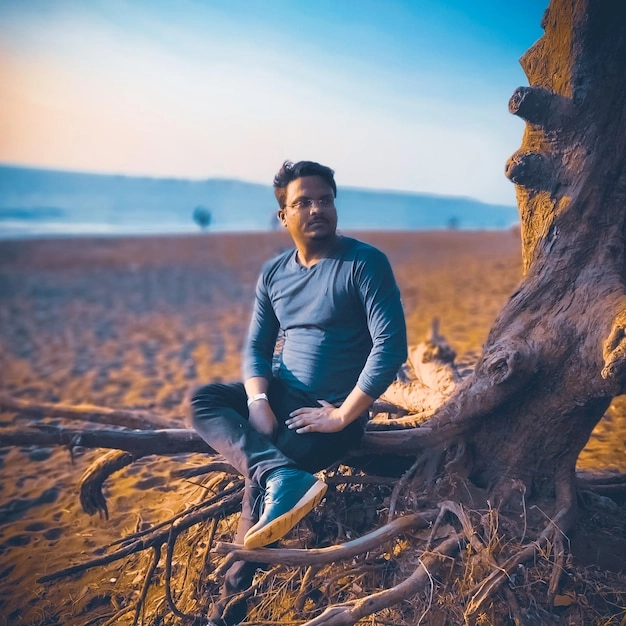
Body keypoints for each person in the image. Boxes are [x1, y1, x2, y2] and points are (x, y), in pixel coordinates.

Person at [191, 159, 407, 626]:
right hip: (282, 395)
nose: (317, 209)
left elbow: (391, 347)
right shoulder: (274, 273)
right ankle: (280, 476)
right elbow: (256, 346)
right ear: (283, 216)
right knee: (205, 400)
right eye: (303, 202)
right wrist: (258, 401)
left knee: (263, 475)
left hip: (326, 414)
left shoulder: (364, 263)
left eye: (325, 200)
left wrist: (343, 416)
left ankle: (225, 610)